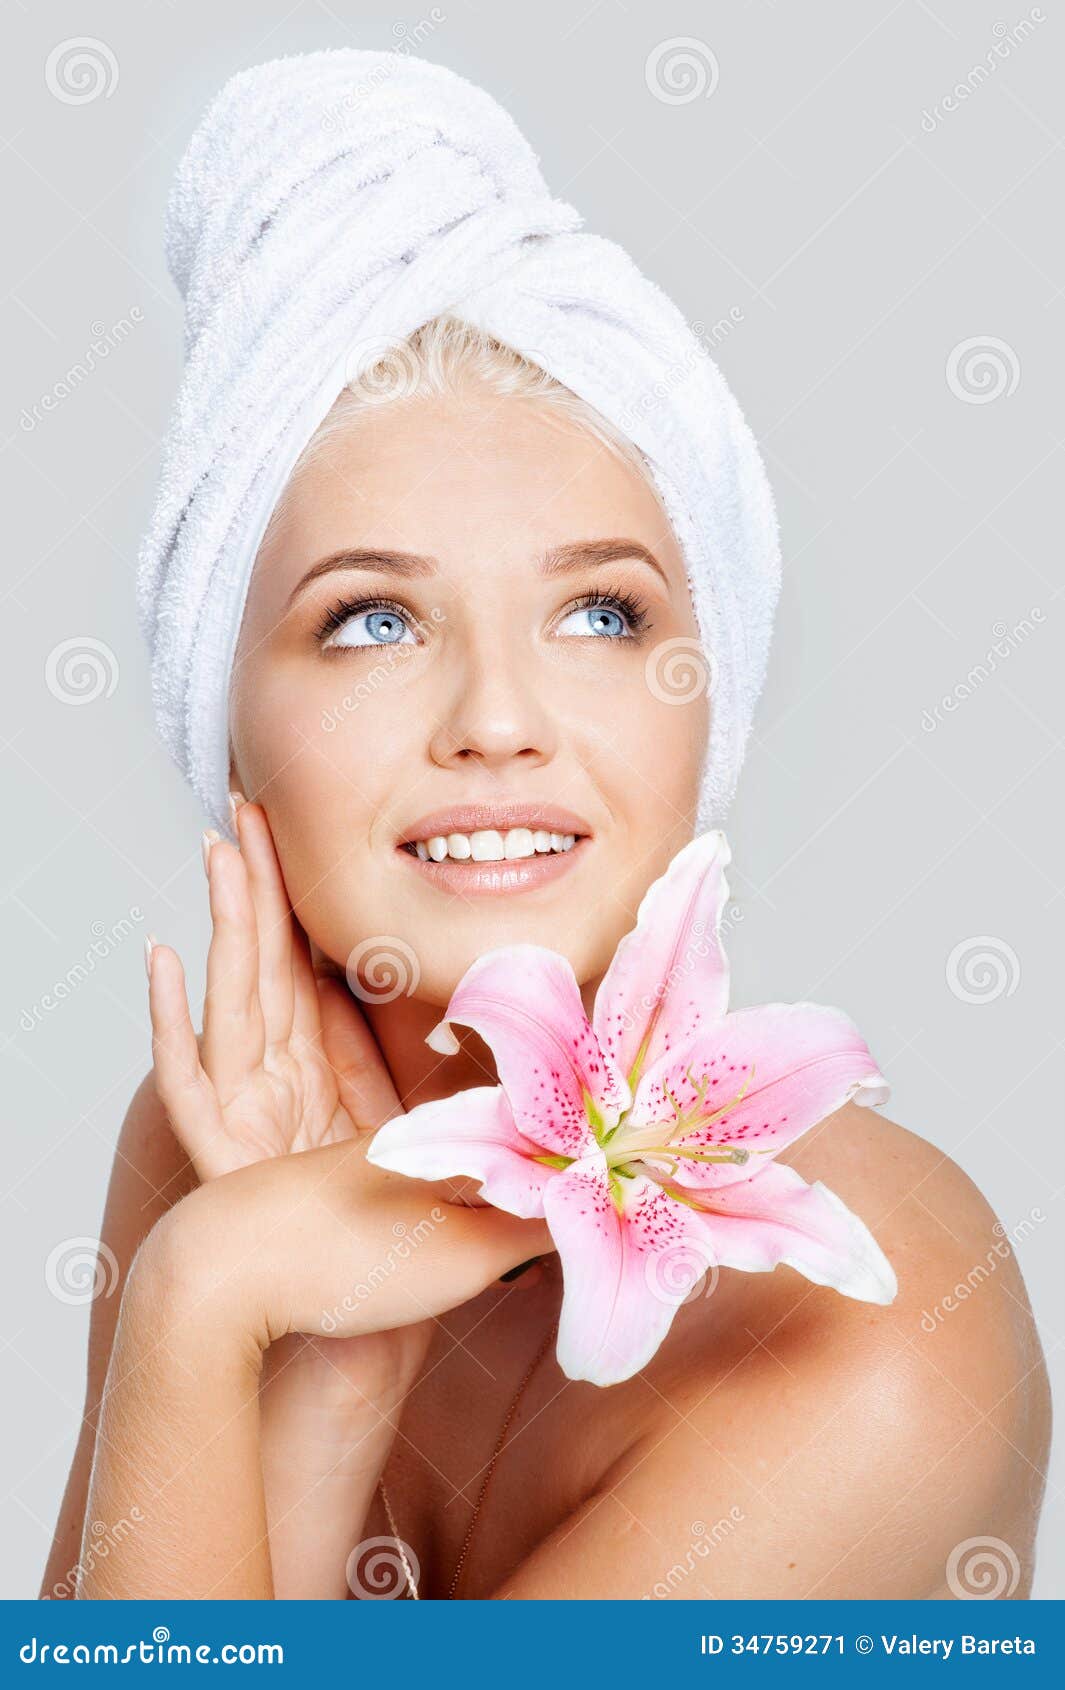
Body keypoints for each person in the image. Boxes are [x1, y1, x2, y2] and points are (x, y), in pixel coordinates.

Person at [41, 52, 1050, 1601]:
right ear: (226, 724)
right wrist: (300, 1372)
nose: (497, 717)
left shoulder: (878, 1345)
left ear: (708, 693)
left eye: (597, 609)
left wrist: (204, 1286)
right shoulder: (222, 1130)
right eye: (371, 620)